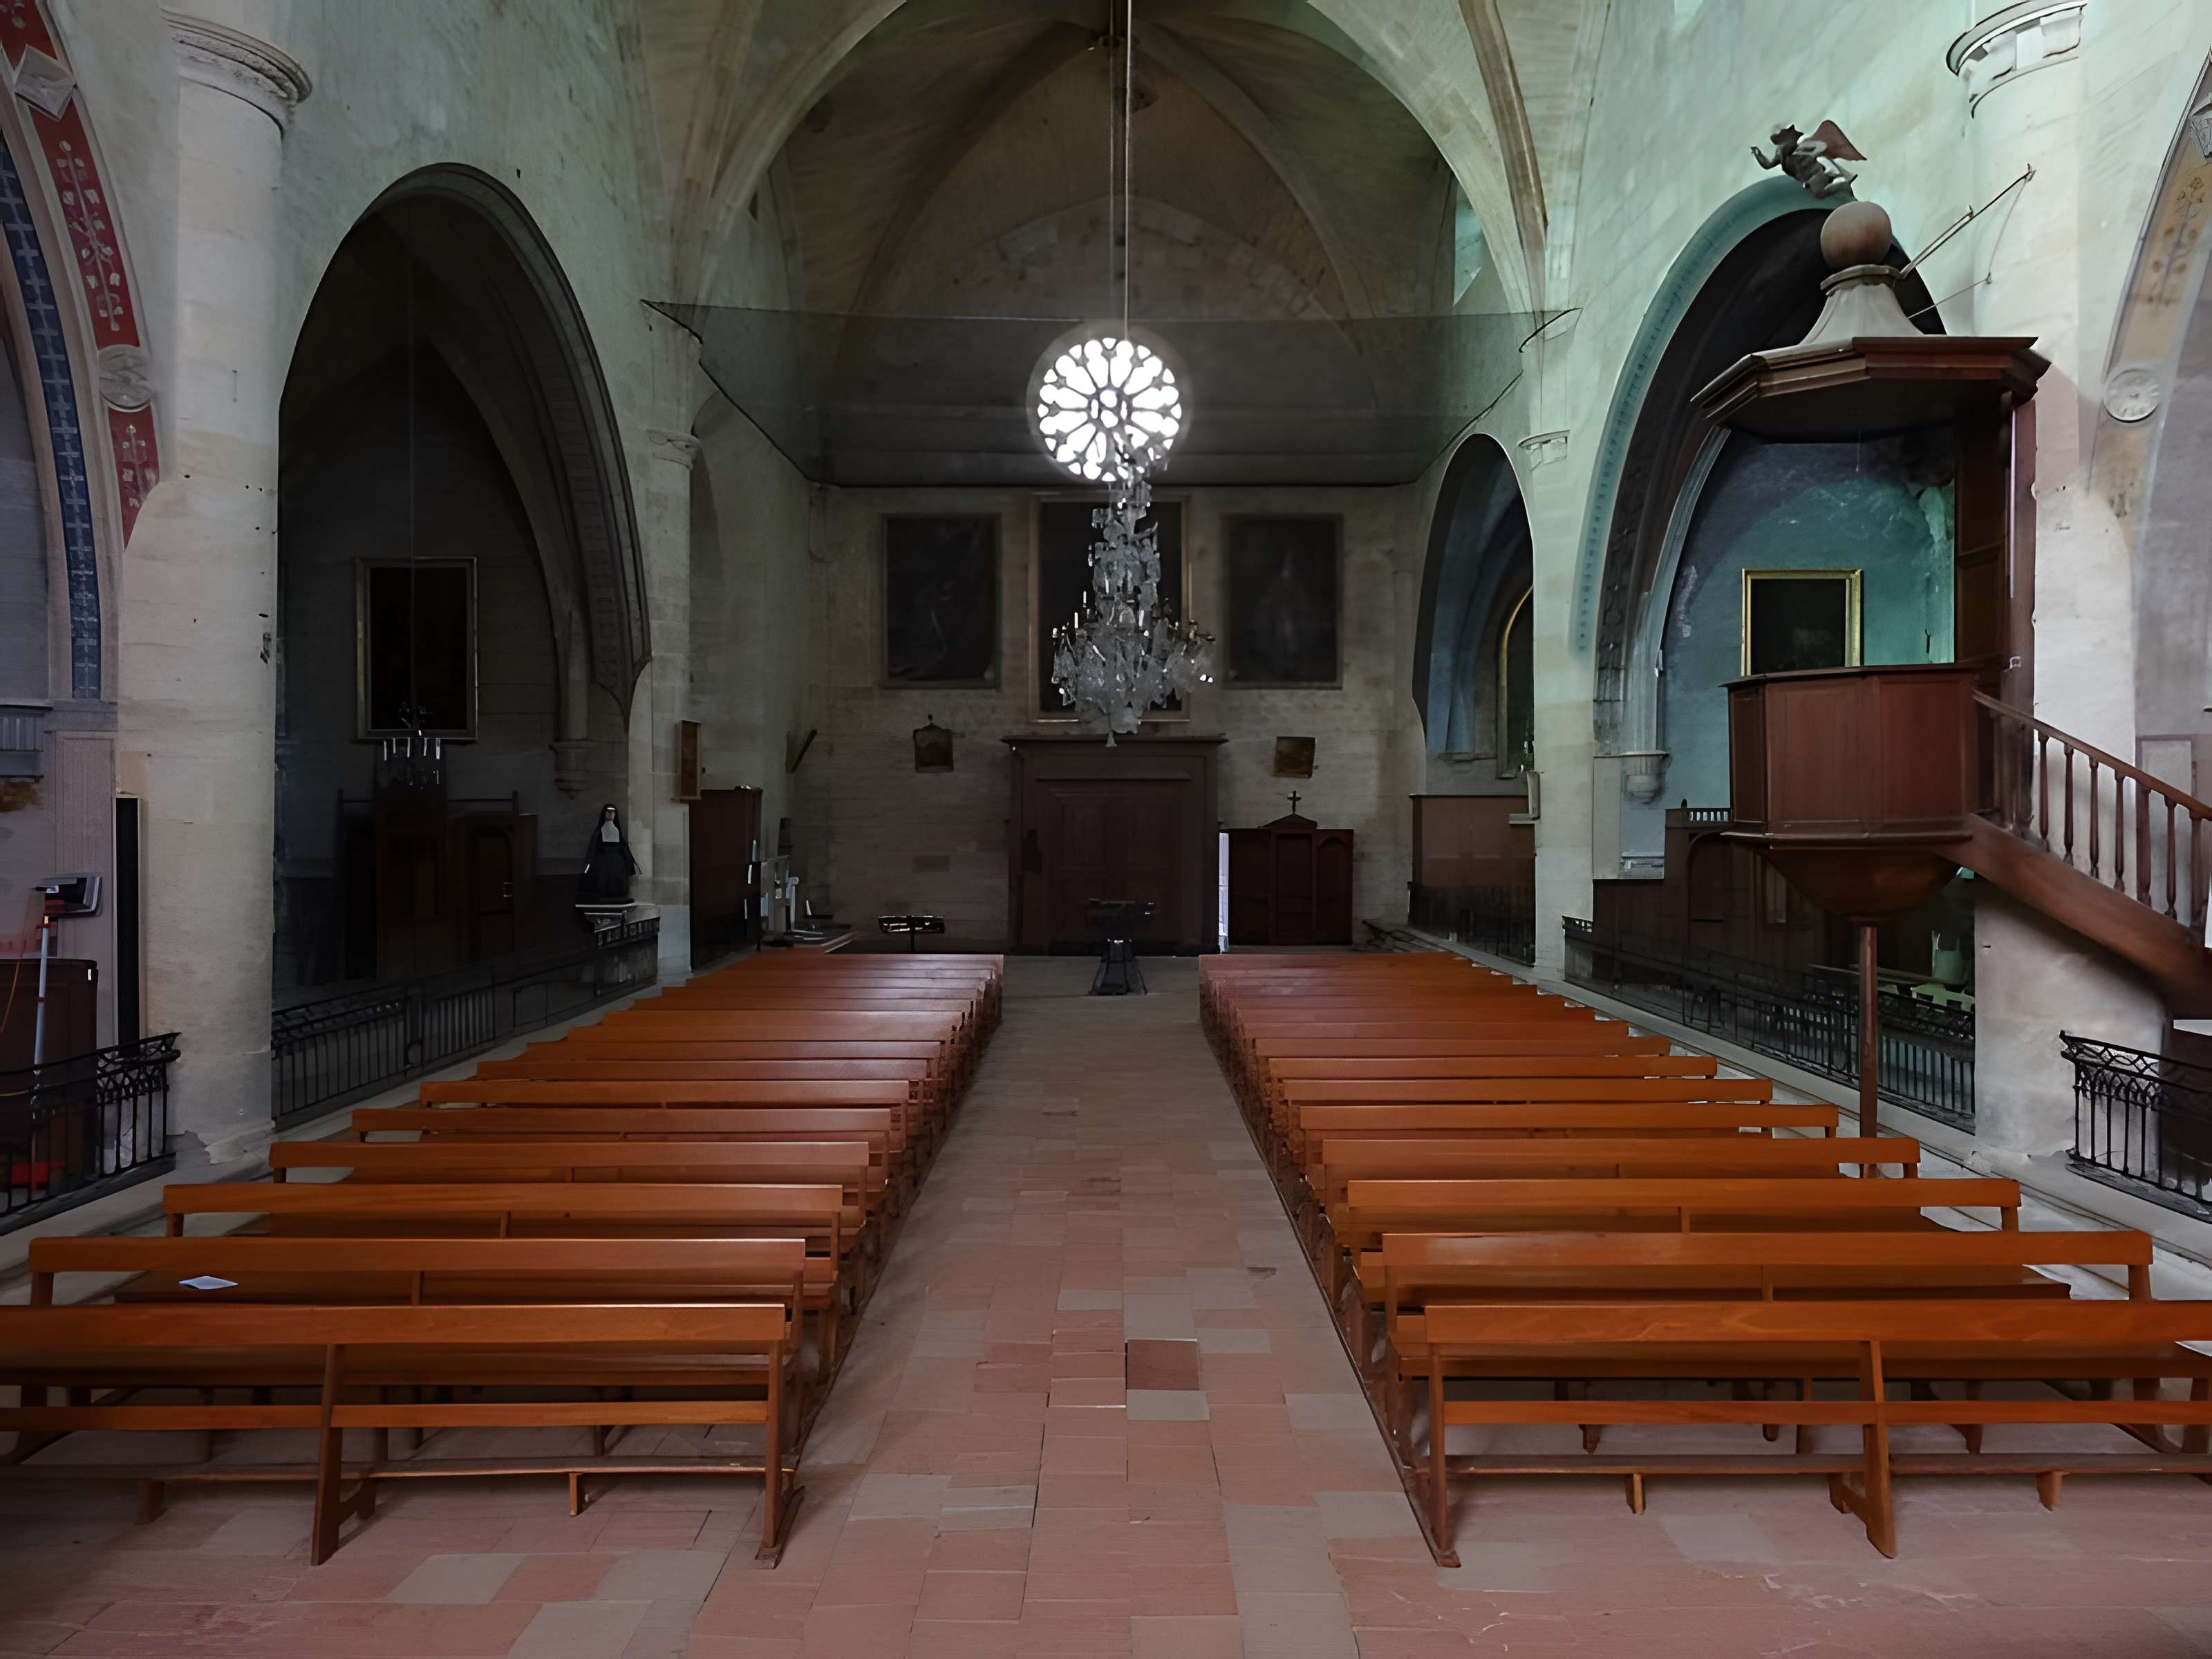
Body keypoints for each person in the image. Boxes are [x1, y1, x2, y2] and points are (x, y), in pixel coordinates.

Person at [578, 803, 638, 903]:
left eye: (613, 812)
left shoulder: (617, 830)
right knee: (603, 876)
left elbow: (623, 847)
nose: (611, 814)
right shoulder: (599, 831)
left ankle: (618, 895)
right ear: (604, 814)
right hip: (603, 860)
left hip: (617, 862)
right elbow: (593, 848)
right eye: (608, 812)